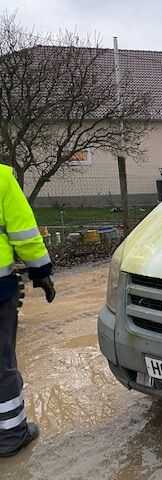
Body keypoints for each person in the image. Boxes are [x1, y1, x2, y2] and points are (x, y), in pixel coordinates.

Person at [0, 164, 55, 457]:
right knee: (1, 365)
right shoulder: (1, 179)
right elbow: (25, 236)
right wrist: (41, 273)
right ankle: (11, 436)